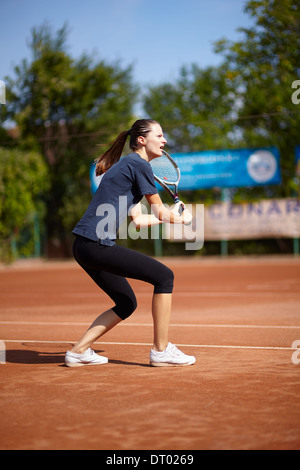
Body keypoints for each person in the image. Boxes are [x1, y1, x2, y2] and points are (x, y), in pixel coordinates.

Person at [65, 119, 196, 368]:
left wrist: (173, 217)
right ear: (141, 140)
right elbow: (159, 212)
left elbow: (139, 220)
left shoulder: (126, 166)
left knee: (126, 302)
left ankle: (79, 351)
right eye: (159, 135)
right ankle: (161, 350)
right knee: (164, 276)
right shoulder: (138, 164)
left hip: (84, 246)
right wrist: (180, 219)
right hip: (97, 244)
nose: (164, 140)